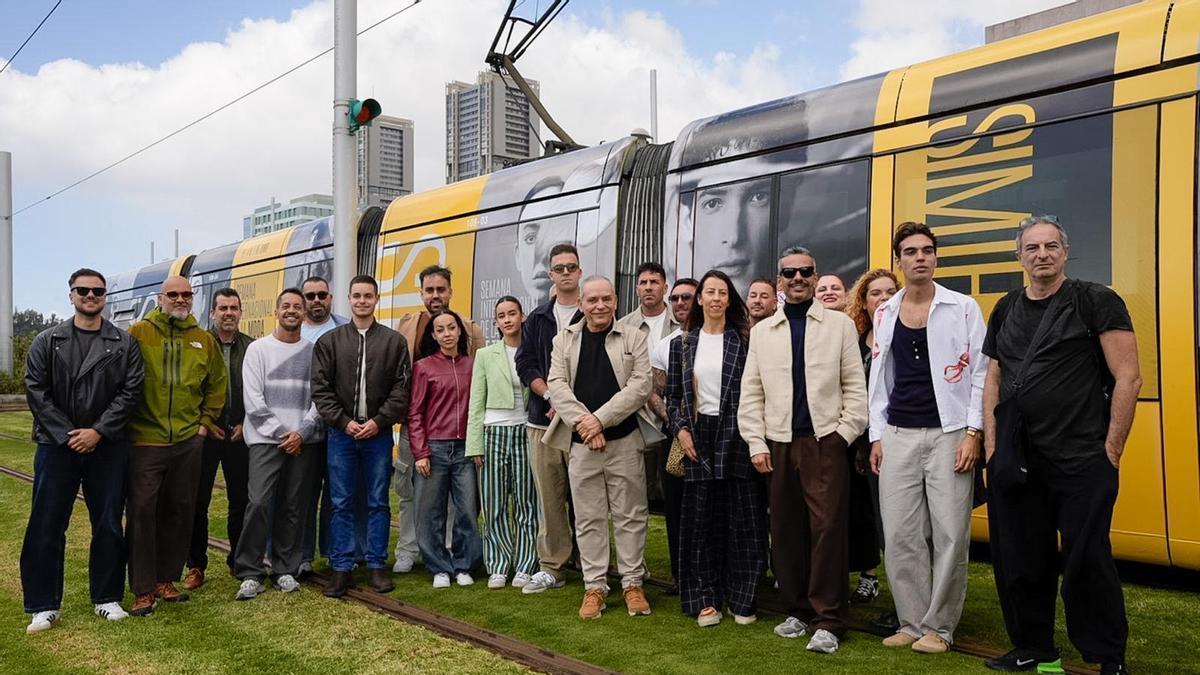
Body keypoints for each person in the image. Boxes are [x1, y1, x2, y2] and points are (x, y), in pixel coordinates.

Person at [982, 216, 1139, 675]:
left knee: (1087, 559)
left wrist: (1111, 450)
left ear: (1065, 252)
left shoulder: (1096, 300)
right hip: (1016, 459)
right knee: (1019, 559)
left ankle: (1108, 657)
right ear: (1020, 257)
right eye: (1032, 248)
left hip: (1082, 457)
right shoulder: (1006, 307)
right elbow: (993, 378)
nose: (1042, 254)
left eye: (1051, 246)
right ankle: (1033, 646)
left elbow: (1128, 376)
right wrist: (992, 445)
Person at [738, 246, 867, 654]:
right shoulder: (762, 332)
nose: (797, 278)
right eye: (789, 273)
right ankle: (796, 610)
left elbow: (855, 390)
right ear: (780, 281)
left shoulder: (840, 327)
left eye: (805, 272)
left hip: (824, 442)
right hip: (777, 443)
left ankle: (829, 619)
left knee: (828, 531)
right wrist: (756, 442)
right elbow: (751, 394)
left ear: (815, 277)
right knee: (787, 529)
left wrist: (841, 436)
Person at [867, 222, 988, 654]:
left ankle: (940, 627)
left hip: (950, 433)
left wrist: (973, 432)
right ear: (898, 260)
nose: (920, 257)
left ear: (936, 257)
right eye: (910, 251)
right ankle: (911, 622)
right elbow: (881, 378)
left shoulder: (963, 307)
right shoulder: (885, 312)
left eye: (927, 250)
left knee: (951, 532)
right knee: (900, 533)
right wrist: (877, 436)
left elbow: (980, 374)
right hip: (897, 433)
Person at [21, 269, 145, 633]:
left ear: (105, 296)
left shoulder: (124, 343)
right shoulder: (47, 340)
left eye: (97, 291)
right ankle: (43, 605)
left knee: (107, 522)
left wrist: (98, 432)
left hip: (106, 447)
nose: (91, 296)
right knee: (45, 524)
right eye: (83, 290)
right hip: (56, 445)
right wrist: (68, 434)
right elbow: (36, 391)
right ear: (71, 294)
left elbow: (131, 393)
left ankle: (107, 598)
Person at [546, 275, 661, 619]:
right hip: (582, 446)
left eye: (606, 300)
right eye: (592, 300)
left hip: (624, 440)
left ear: (615, 301)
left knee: (631, 515)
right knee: (588, 518)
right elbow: (557, 385)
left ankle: (632, 584)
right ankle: (594, 586)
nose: (599, 306)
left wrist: (600, 420)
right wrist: (586, 423)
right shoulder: (563, 340)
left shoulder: (635, 336)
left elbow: (641, 386)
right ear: (581, 303)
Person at [666, 270, 767, 628]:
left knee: (744, 521)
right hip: (697, 436)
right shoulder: (681, 344)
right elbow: (673, 398)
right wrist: (680, 432)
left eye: (722, 292)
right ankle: (705, 598)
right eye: (709, 292)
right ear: (699, 299)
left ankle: (742, 598)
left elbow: (758, 391)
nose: (715, 298)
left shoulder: (746, 339)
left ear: (730, 299)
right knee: (700, 523)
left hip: (738, 433)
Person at [126, 276, 227, 616]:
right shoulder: (139, 333)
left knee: (179, 511)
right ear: (161, 298)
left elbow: (217, 384)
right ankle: (142, 589)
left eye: (186, 294)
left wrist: (203, 425)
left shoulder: (203, 339)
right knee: (142, 512)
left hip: (187, 441)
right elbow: (123, 380)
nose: (180, 299)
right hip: (146, 440)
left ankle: (165, 580)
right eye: (174, 294)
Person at [311, 274, 411, 597]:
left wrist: (379, 421)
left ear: (376, 299)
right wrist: (343, 422)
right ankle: (341, 567)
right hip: (342, 435)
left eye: (368, 296)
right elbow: (320, 389)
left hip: (378, 435)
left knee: (378, 501)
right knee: (340, 502)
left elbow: (401, 390)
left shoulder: (394, 342)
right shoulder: (330, 342)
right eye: (357, 296)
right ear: (349, 299)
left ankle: (377, 564)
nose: (362, 301)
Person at [393, 265, 486, 574]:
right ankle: (408, 549)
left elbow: (479, 377)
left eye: (440, 289)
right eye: (429, 290)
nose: (435, 295)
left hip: (457, 432)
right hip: (417, 425)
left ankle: (449, 551)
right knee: (412, 493)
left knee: (456, 500)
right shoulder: (407, 326)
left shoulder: (469, 329)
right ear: (421, 294)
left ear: (450, 291)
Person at [233, 289, 324, 600]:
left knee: (293, 506)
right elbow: (253, 400)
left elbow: (320, 398)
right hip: (266, 441)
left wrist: (302, 432)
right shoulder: (259, 350)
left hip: (302, 441)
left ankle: (285, 568)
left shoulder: (313, 351)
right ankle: (250, 571)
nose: (292, 311)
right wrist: (284, 434)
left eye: (297, 307)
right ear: (276, 310)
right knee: (258, 502)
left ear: (304, 313)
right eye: (286, 305)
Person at [514, 243, 583, 594]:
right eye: (560, 268)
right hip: (543, 421)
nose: (566, 272)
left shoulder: (593, 313)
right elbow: (525, 363)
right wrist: (549, 395)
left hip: (584, 424)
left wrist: (570, 403)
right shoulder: (538, 318)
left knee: (588, 497)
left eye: (572, 267)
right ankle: (553, 566)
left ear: (579, 272)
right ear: (551, 275)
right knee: (551, 497)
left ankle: (591, 561)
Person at [467, 297, 539, 590]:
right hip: (493, 431)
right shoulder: (485, 355)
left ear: (522, 317)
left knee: (526, 502)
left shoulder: (532, 352)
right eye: (501, 316)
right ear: (495, 322)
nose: (507, 319)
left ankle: (525, 564)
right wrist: (475, 445)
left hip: (526, 429)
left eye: (512, 314)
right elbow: (476, 401)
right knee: (494, 502)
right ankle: (497, 564)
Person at [184, 288, 253, 591]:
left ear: (240, 313)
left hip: (239, 434)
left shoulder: (252, 347)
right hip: (205, 435)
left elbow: (257, 389)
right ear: (212, 313)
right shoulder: (198, 344)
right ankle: (195, 565)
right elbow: (189, 389)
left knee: (241, 500)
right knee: (198, 501)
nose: (228, 313)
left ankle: (238, 559)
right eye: (222, 308)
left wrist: (247, 423)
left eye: (233, 308)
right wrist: (205, 422)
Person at [845, 268, 900, 630]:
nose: (881, 298)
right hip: (861, 446)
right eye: (874, 293)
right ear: (863, 302)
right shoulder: (856, 338)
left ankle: (907, 602)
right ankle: (879, 583)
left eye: (888, 292)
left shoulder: (907, 331)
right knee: (873, 522)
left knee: (900, 527)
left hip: (900, 439)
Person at [409, 310, 481, 588]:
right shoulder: (424, 367)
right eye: (440, 329)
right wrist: (420, 452)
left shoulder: (473, 364)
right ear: (434, 335)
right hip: (434, 449)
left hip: (465, 449)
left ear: (460, 331)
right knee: (430, 512)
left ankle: (464, 565)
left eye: (452, 327)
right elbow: (415, 413)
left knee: (467, 511)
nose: (447, 333)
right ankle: (438, 566)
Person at [298, 276, 359, 575]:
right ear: (303, 300)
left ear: (331, 297)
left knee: (340, 495)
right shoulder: (294, 332)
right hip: (305, 431)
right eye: (310, 296)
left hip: (338, 427)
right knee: (305, 496)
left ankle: (337, 553)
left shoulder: (345, 329)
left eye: (322, 295)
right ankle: (304, 555)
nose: (316, 300)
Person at [648, 277, 699, 594]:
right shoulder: (665, 345)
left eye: (688, 297)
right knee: (677, 508)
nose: (681, 303)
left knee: (710, 508)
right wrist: (676, 425)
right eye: (676, 298)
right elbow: (653, 393)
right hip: (675, 437)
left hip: (714, 434)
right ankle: (682, 577)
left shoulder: (724, 338)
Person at [617, 262, 679, 512]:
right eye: (643, 283)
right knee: (636, 497)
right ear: (636, 289)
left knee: (673, 496)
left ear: (665, 287)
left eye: (654, 282)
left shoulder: (680, 321)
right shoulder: (623, 327)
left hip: (673, 417)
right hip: (637, 419)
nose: (648, 287)